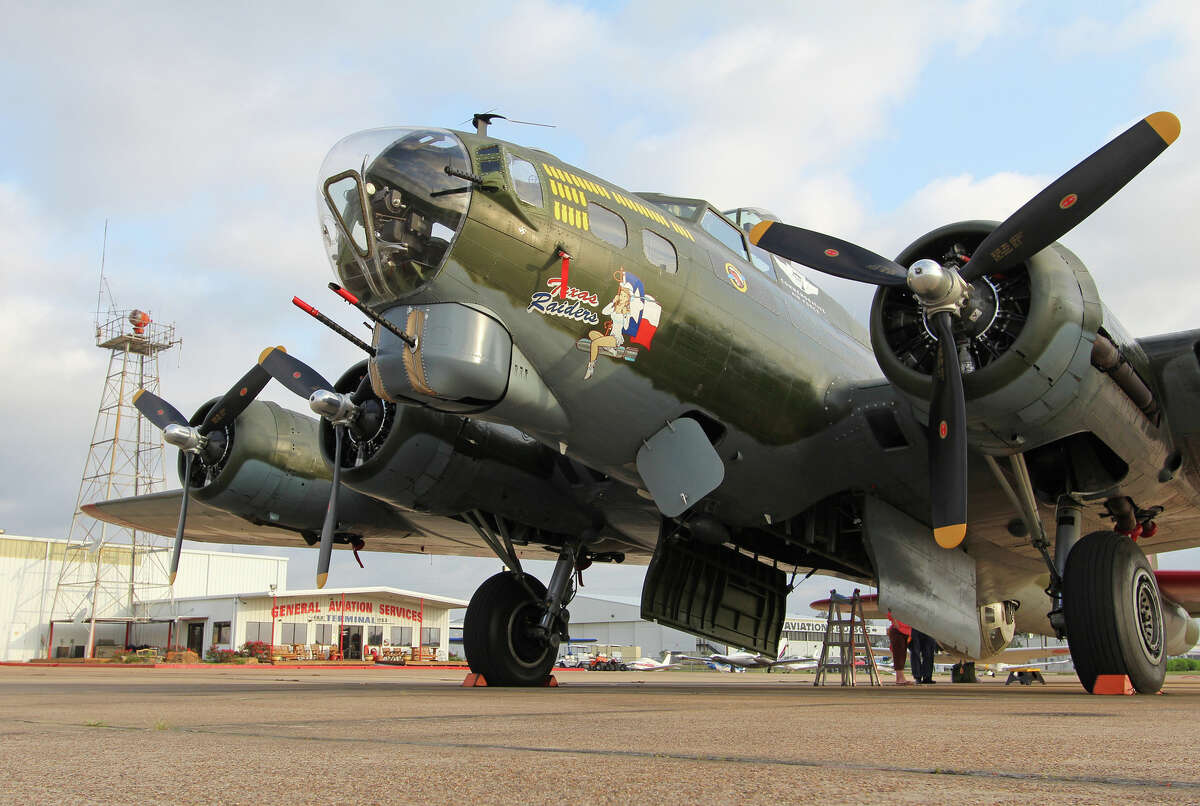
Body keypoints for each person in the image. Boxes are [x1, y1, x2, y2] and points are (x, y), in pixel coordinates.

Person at [886, 609, 913, 686]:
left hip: (904, 632)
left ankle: (900, 678)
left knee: (902, 655)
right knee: (899, 655)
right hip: (898, 631)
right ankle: (900, 678)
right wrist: (895, 622)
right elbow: (890, 611)